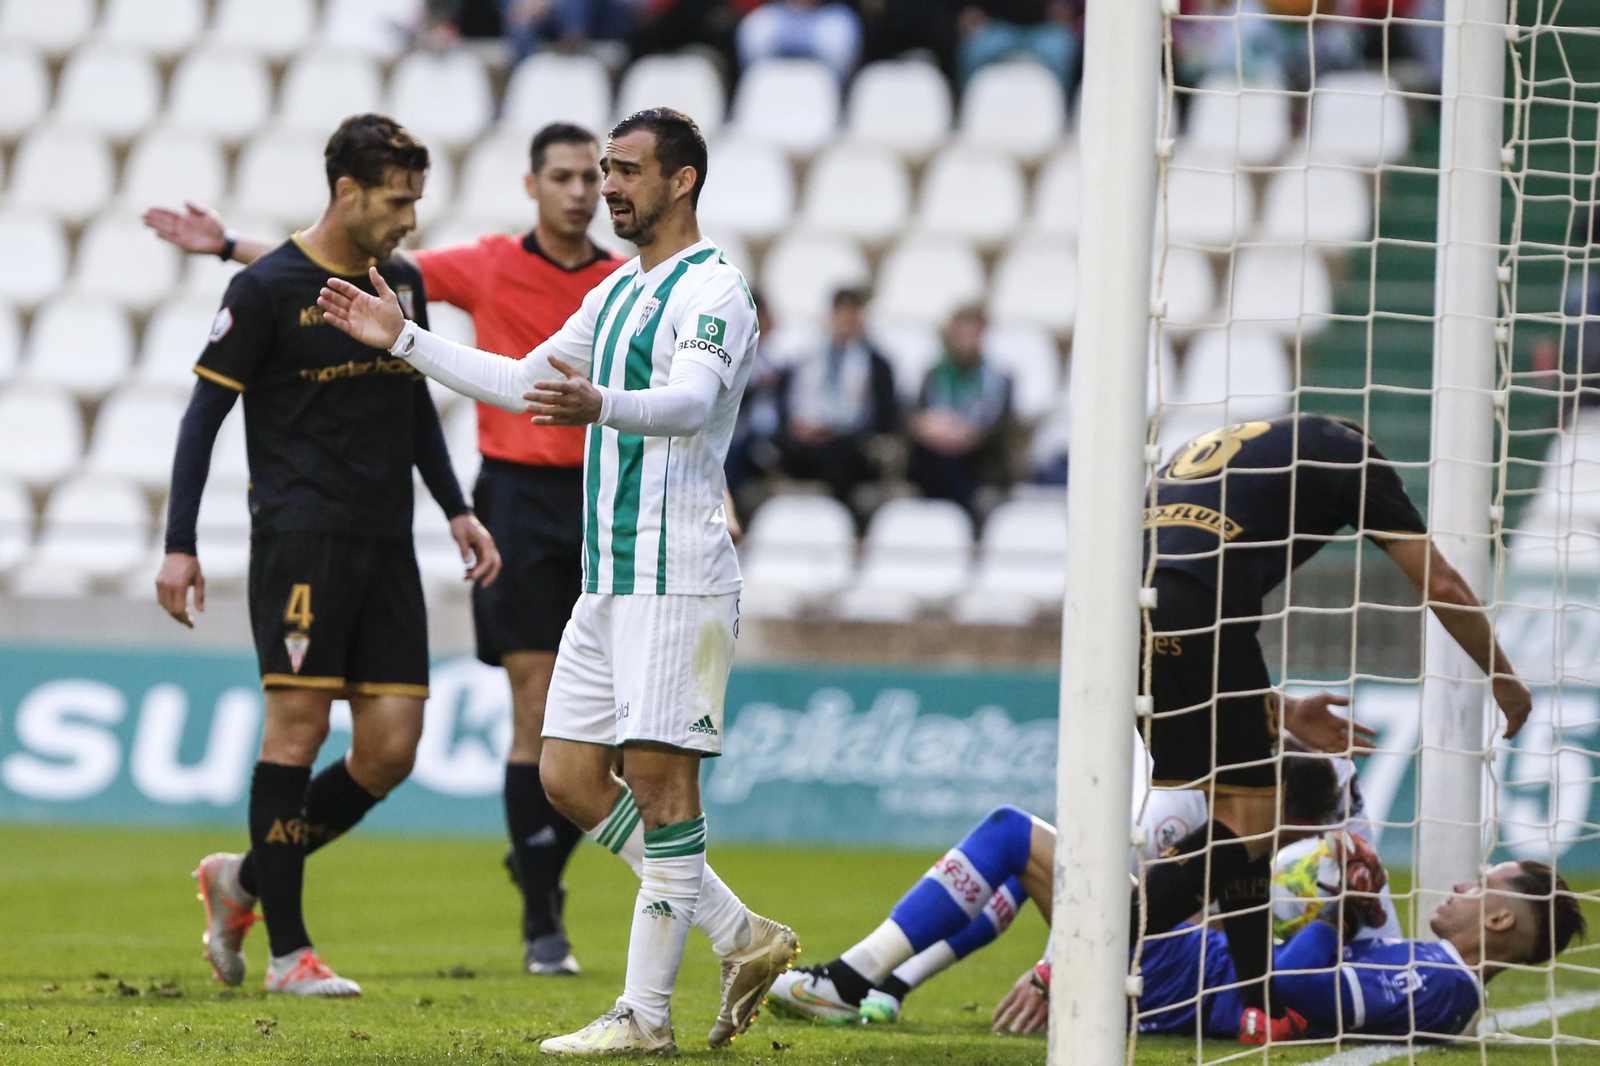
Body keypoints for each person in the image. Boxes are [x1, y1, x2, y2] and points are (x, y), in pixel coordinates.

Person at [314, 107, 798, 1055]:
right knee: (568, 776)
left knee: (661, 790)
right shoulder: (617, 292)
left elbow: (693, 402)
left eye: (625, 171)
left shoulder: (715, 291)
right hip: (608, 576)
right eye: (605, 169)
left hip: (679, 576)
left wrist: (600, 403)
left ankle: (645, 1018)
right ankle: (743, 933)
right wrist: (404, 339)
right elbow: (519, 379)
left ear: (682, 181)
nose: (608, 186)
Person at [147, 124, 628, 978]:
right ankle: (289, 953)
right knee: (296, 728)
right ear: (348, 193)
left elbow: (413, 403)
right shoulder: (266, 289)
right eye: (398, 199)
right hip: (300, 539)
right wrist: (178, 545)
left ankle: (242, 879)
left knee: (391, 749)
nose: (411, 218)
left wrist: (454, 510)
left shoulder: (398, 282)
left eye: (415, 198)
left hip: (387, 541)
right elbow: (202, 418)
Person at [1136, 413, 1533, 1041]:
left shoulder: (1243, 449)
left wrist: (1284, 713)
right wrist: (1505, 680)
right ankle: (1109, 935)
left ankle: (1257, 1002)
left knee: (1232, 822)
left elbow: (1187, 568)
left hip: (1130, 609)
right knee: (1246, 826)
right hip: (1203, 609)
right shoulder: (1351, 456)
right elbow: (1442, 581)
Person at [771, 807, 1586, 1042]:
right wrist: (1352, 905)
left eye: (1483, 884)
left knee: (1018, 838)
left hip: (1181, 976)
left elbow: (1296, 983)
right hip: (1185, 964)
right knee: (1035, 858)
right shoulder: (1434, 966)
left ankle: (850, 981)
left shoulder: (1442, 981)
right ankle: (888, 986)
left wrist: (1339, 910)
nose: (1461, 885)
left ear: (1504, 918)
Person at [772, 286, 899, 512]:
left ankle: (840, 519)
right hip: (806, 439)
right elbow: (786, 403)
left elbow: (884, 417)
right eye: (842, 314)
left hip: (848, 443)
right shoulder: (806, 355)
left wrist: (834, 427)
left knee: (839, 456)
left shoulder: (877, 364)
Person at [907, 305, 1014, 515]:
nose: (965, 339)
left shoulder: (998, 379)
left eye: (971, 333)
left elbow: (999, 426)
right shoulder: (934, 374)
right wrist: (933, 430)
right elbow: (919, 416)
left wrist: (969, 435)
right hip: (934, 448)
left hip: (975, 455)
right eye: (960, 333)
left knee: (959, 467)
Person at [737, 0, 864, 81]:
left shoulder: (838, 22)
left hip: (821, 101)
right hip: (770, 99)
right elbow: (753, 75)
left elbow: (842, 74)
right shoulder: (762, 21)